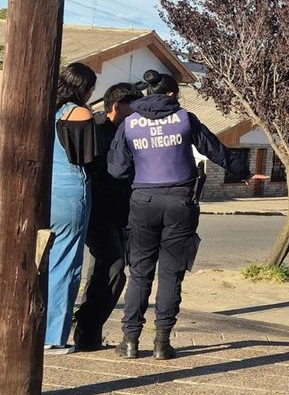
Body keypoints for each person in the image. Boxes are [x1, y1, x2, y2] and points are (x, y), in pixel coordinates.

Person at [108, 70, 268, 360]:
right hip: (180, 201)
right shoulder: (185, 119)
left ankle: (130, 341)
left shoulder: (129, 123)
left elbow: (116, 169)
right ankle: (162, 343)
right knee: (171, 273)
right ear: (170, 94)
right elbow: (215, 149)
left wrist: (141, 175)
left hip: (142, 200)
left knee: (140, 273)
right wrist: (243, 173)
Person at [73, 83, 143, 351]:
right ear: (117, 106)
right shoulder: (97, 130)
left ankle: (88, 334)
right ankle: (86, 329)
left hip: (123, 213)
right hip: (98, 211)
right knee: (114, 268)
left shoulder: (131, 131)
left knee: (106, 271)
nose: (138, 113)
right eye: (132, 107)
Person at [46, 63, 98, 354]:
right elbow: (88, 159)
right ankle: (53, 335)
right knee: (65, 264)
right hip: (70, 192)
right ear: (85, 88)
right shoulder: (79, 113)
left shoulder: (46, 110)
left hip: (42, 191)